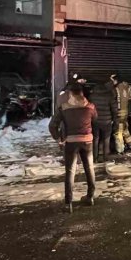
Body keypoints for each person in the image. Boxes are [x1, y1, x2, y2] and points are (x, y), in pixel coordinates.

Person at [49, 83, 98, 213]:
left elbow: (52, 125)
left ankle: (68, 203)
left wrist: (59, 138)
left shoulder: (63, 108)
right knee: (89, 168)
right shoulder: (90, 106)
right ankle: (90, 197)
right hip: (87, 141)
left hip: (71, 142)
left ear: (70, 94)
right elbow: (95, 118)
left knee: (70, 171)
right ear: (82, 93)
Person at [91, 77, 117, 165]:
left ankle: (94, 158)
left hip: (95, 121)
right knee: (106, 140)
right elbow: (114, 110)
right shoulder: (109, 95)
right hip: (107, 121)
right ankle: (106, 158)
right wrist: (114, 120)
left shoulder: (92, 96)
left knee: (95, 139)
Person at [112, 74, 131, 154]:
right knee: (125, 130)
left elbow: (113, 99)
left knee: (118, 132)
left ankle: (121, 149)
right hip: (126, 112)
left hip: (118, 113)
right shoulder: (129, 87)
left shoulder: (116, 88)